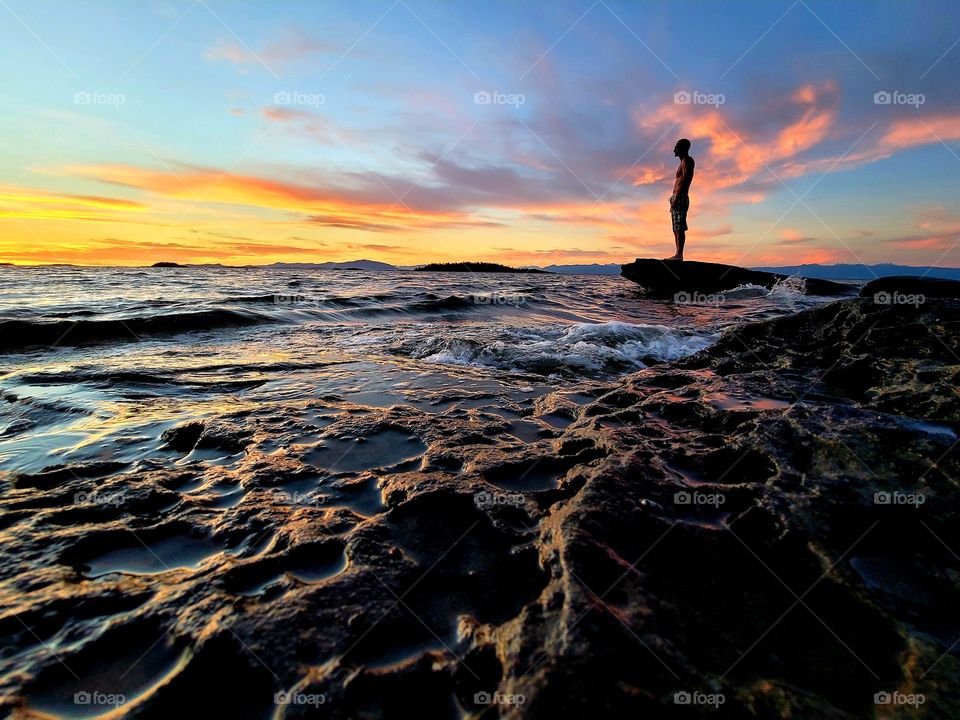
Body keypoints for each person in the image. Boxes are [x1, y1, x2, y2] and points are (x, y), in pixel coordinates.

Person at [665, 138, 694, 261]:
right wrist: (673, 199)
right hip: (676, 197)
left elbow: (686, 179)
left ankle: (679, 254)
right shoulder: (682, 162)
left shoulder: (687, 160)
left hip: (680, 197)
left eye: (676, 147)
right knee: (676, 227)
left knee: (680, 226)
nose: (674, 150)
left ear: (682, 148)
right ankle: (677, 253)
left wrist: (677, 198)